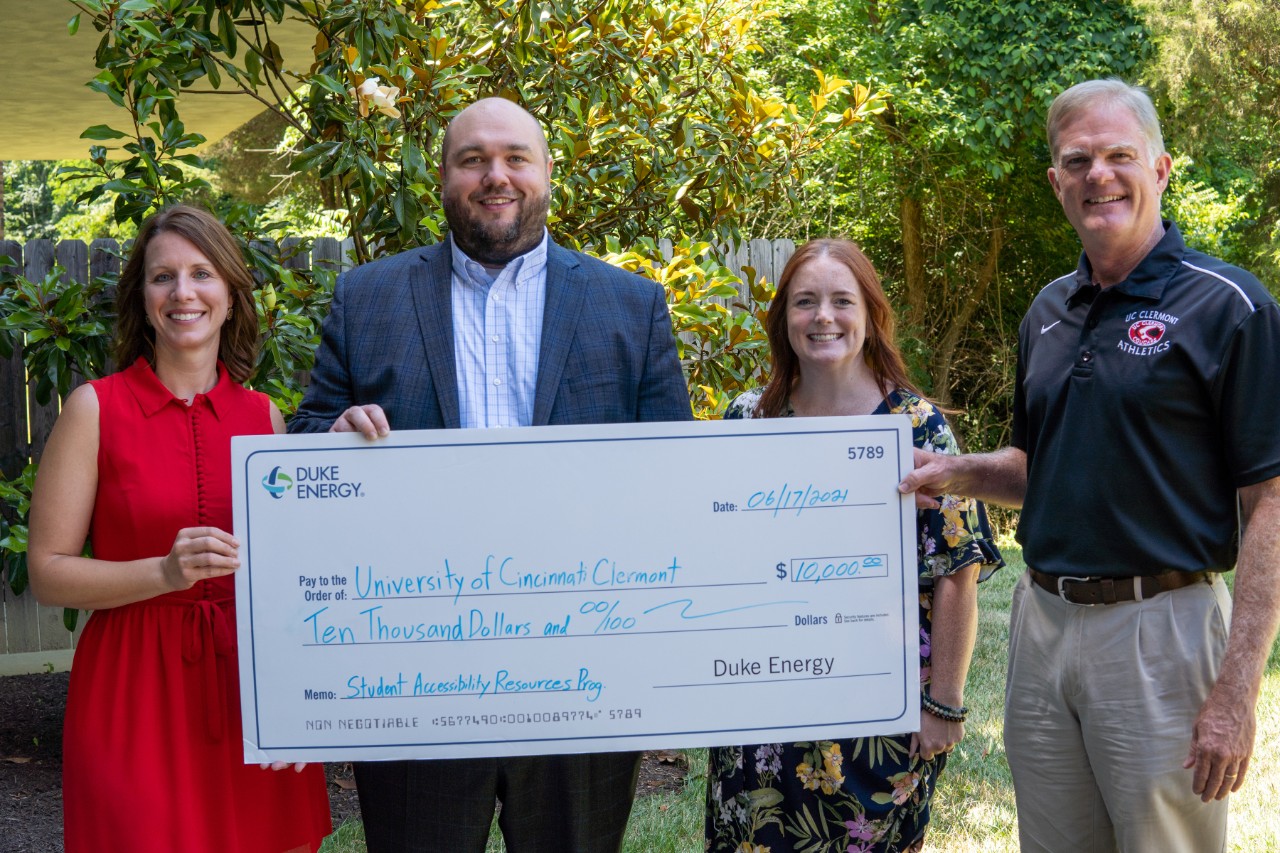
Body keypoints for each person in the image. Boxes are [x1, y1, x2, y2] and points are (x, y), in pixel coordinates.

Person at [289, 97, 692, 852]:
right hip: (417, 674)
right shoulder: (368, 298)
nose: (494, 175)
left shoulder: (630, 305)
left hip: (585, 675)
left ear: (547, 174)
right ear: (442, 176)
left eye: (515, 157)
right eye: (472, 159)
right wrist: (334, 437)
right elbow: (310, 431)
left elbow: (676, 478)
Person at [898, 78, 1280, 852]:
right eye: (1078, 160)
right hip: (1043, 630)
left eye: (1118, 155)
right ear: (1056, 181)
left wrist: (1237, 690)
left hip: (1161, 632)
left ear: (1162, 168)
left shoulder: (1229, 306)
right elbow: (1041, 467)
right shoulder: (1045, 311)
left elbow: (1268, 501)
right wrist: (953, 472)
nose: (1098, 174)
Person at [27, 204, 332, 852]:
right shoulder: (94, 409)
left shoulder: (264, 416)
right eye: (163, 277)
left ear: (230, 293)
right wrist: (163, 572)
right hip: (132, 692)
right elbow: (48, 572)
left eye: (202, 274)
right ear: (143, 297)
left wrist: (295, 708)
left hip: (248, 684)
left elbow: (287, 579)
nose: (183, 292)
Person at [705, 238, 1003, 852]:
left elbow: (957, 572)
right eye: (804, 302)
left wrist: (943, 704)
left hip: (880, 716)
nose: (823, 317)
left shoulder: (916, 426)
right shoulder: (745, 422)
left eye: (842, 301)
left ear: (869, 317)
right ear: (782, 317)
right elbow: (714, 558)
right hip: (762, 709)